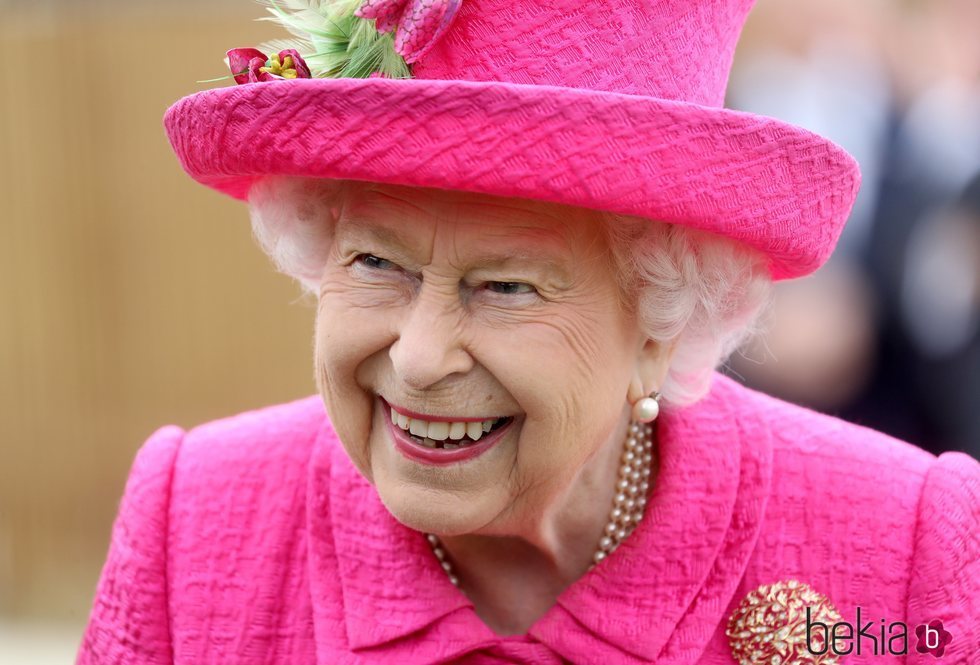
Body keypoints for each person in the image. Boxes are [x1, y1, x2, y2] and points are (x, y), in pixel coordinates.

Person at [78, 0, 979, 663]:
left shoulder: (903, 554)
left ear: (664, 321)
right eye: (376, 265)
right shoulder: (191, 523)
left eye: (504, 285)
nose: (421, 357)